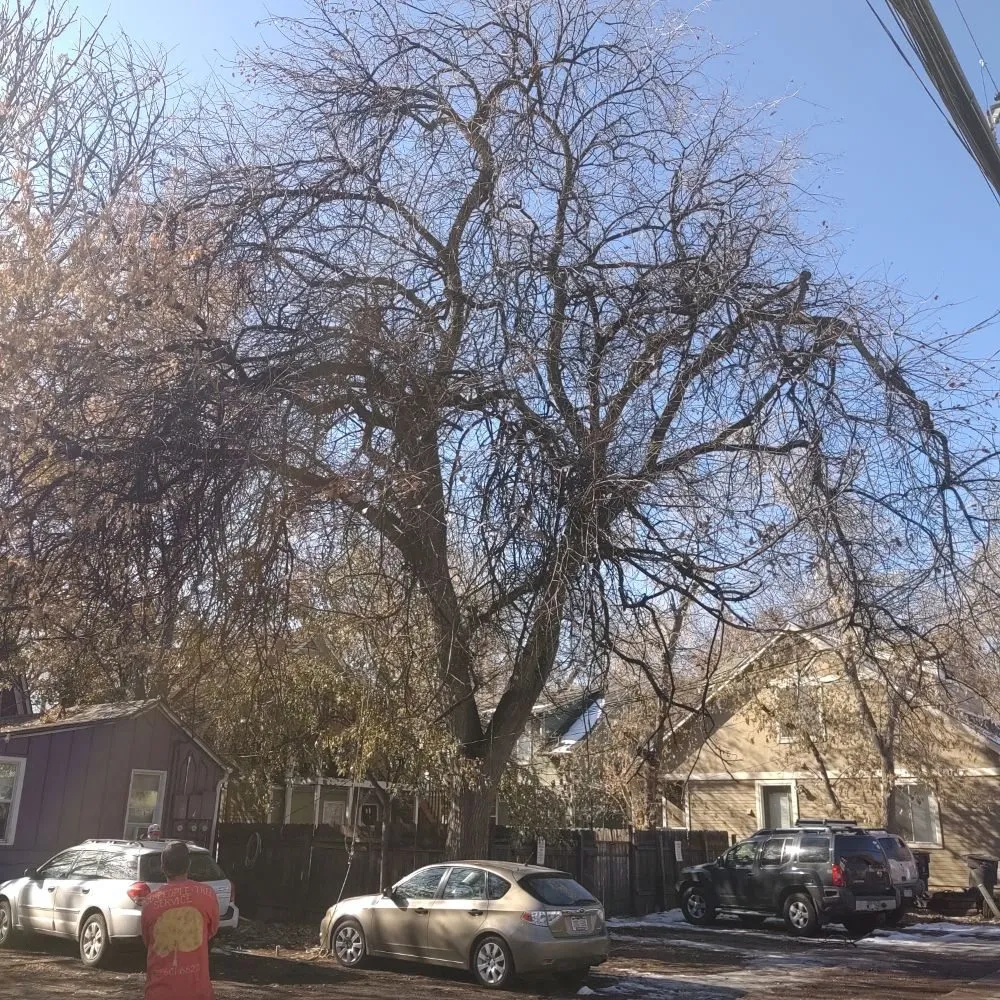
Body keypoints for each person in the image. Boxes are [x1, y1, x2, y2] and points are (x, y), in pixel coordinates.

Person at [141, 840, 220, 1000]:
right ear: (188, 865)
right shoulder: (207, 895)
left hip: (158, 992)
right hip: (197, 992)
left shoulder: (150, 902)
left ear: (163, 867)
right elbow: (211, 931)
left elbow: (148, 941)